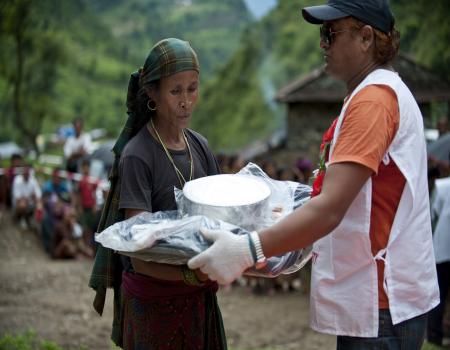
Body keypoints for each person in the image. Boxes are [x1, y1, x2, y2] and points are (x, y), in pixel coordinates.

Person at [188, 1, 440, 349]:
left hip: (379, 303)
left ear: (366, 37)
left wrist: (247, 248)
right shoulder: (374, 94)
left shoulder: (372, 102)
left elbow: (331, 208)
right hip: (380, 299)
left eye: (330, 33)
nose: (323, 43)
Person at [89, 38, 226, 349]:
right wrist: (194, 276)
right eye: (175, 90)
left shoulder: (200, 147)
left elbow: (222, 219)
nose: (186, 100)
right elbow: (138, 252)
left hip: (198, 300)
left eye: (193, 88)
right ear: (152, 92)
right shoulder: (139, 154)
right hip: (154, 307)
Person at [427, 155, 450, 346]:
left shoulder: (442, 186)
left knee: (439, 293)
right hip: (442, 248)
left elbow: (433, 213)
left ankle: (434, 335)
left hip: (442, 247)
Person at [12, 165, 43, 230]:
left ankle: (35, 221)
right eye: (25, 172)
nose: (26, 173)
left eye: (27, 172)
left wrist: (38, 202)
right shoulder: (17, 180)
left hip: (29, 201)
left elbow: (38, 194)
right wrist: (31, 197)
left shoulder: (33, 180)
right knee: (22, 205)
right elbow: (18, 199)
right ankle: (22, 218)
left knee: (39, 205)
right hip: (20, 203)